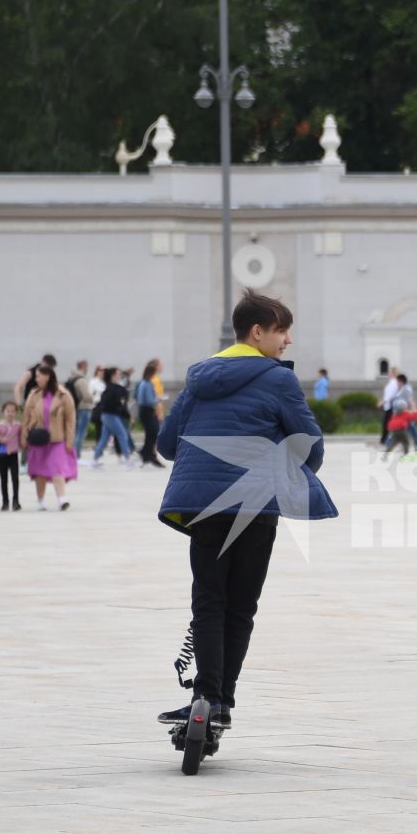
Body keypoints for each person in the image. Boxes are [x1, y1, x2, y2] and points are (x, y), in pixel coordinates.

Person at [156, 290, 337, 731]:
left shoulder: (198, 377)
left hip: (202, 505)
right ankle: (220, 704)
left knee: (209, 601)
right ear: (257, 332)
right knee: (240, 606)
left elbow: (164, 444)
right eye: (282, 330)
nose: (288, 340)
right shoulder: (278, 379)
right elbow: (309, 447)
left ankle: (205, 697)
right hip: (256, 506)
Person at [21, 365, 77, 510]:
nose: (36, 379)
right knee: (39, 471)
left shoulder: (63, 394)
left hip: (57, 438)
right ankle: (40, 501)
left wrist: (70, 440)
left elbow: (70, 419)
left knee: (57, 468)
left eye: (39, 376)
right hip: (38, 438)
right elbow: (26, 417)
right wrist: (24, 436)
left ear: (47, 376)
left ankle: (62, 499)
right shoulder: (34, 394)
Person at [92, 366, 135, 468]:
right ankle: (128, 459)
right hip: (110, 416)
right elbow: (116, 404)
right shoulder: (112, 388)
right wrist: (123, 408)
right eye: (117, 374)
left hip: (108, 416)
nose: (119, 376)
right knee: (122, 435)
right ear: (112, 376)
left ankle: (95, 459)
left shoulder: (113, 387)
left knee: (104, 438)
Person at [0, 400, 24, 510]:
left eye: (13, 411)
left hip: (13, 454)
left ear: (16, 413)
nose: (10, 414)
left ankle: (16, 501)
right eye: (8, 411)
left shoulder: (18, 426)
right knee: (4, 480)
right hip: (2, 454)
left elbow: (21, 438)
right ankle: (5, 502)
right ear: (3, 412)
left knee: (15, 479)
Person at [134, 359, 165, 467]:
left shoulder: (145, 383)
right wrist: (159, 399)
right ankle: (146, 454)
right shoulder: (147, 384)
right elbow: (147, 400)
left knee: (151, 434)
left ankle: (146, 454)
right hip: (147, 410)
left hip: (145, 410)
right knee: (152, 433)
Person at [67, 359, 96, 452]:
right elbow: (86, 396)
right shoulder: (81, 380)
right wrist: (93, 398)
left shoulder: (72, 379)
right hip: (84, 408)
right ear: (83, 366)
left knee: (76, 432)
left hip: (76, 408)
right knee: (81, 433)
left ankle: (73, 452)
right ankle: (76, 453)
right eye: (86, 366)